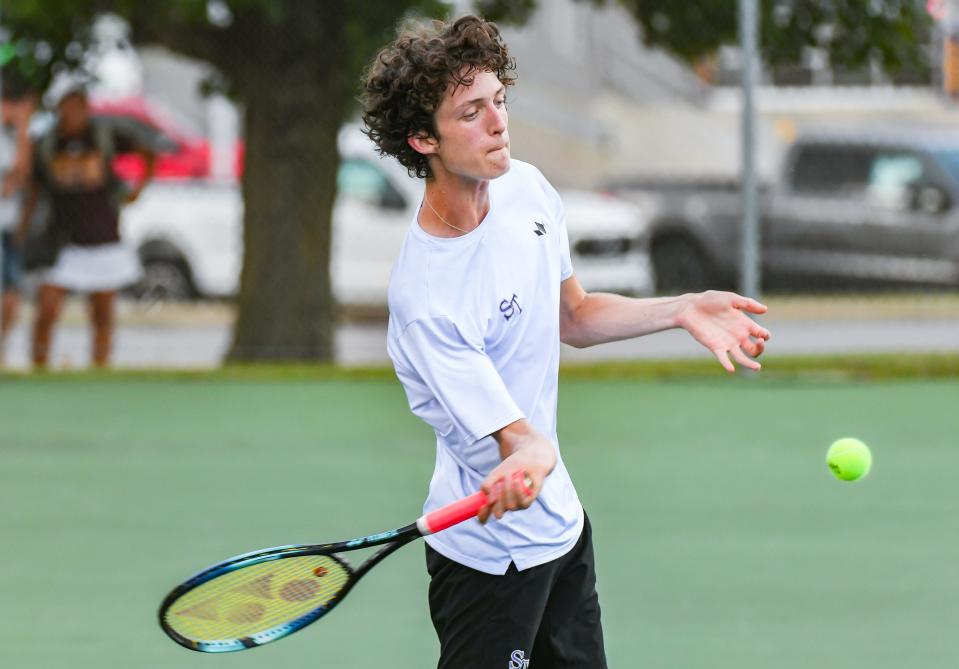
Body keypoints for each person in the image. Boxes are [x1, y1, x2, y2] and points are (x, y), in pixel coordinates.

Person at [361, 15, 771, 669]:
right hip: (490, 565)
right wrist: (527, 460)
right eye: (471, 112)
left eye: (498, 101)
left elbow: (572, 315)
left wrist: (680, 308)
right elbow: (517, 440)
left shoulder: (525, 188)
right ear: (421, 138)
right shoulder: (428, 300)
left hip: (562, 532)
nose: (497, 122)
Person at [16, 82, 155, 369]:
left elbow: (148, 151)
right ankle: (39, 365)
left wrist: (138, 189)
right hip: (62, 240)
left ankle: (100, 367)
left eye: (78, 107)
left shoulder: (103, 136)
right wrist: (24, 230)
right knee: (48, 307)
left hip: (103, 237)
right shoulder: (48, 144)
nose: (72, 113)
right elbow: (35, 191)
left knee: (102, 312)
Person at [0, 77, 35, 365]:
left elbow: (23, 177)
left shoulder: (13, 137)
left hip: (10, 226)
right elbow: (12, 179)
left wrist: (23, 128)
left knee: (12, 292)